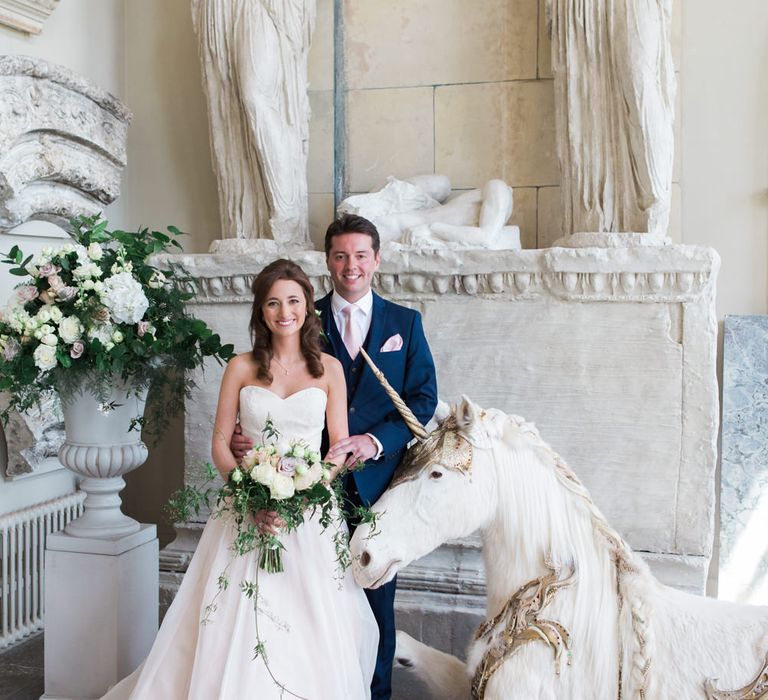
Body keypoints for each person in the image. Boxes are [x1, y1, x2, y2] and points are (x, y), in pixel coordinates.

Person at [102, 259, 378, 699]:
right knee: (238, 616)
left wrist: (307, 493)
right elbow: (218, 444)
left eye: (292, 300)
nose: (283, 311)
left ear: (308, 306)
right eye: (272, 303)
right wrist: (252, 499)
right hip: (246, 507)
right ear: (260, 311)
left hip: (308, 514)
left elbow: (339, 448)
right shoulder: (241, 367)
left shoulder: (329, 370)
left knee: (311, 621)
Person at [233, 214, 438, 699]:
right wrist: (248, 436)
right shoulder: (300, 314)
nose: (351, 266)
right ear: (328, 260)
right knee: (308, 603)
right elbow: (265, 383)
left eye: (361, 255)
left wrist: (375, 442)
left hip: (378, 488)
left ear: (376, 259)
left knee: (374, 603)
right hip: (303, 487)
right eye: (341, 255)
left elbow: (424, 398)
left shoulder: (404, 323)